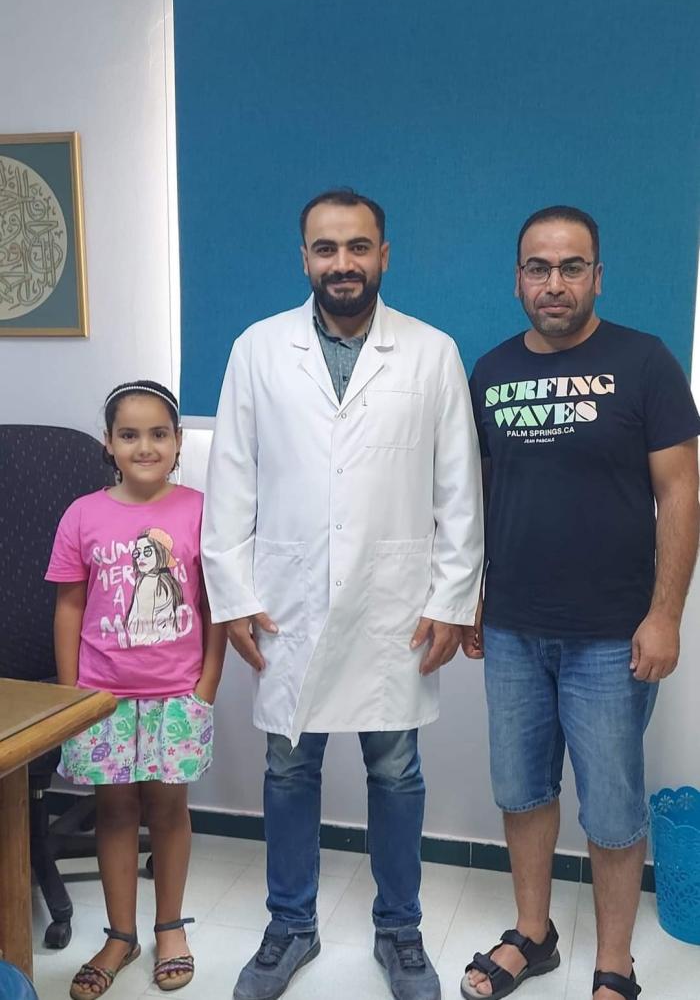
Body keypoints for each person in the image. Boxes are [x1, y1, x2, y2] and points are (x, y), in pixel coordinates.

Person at [202, 188, 484, 1000]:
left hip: (394, 603)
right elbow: (231, 480)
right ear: (304, 258)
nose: (343, 263)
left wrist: (451, 597)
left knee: (396, 771)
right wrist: (233, 593)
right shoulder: (259, 348)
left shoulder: (430, 351)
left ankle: (400, 930)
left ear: (383, 255)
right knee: (289, 767)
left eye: (358, 247)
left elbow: (459, 487)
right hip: (286, 599)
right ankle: (290, 924)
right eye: (326, 248)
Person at [463, 206, 700, 1000]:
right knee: (521, 790)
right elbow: (480, 496)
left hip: (611, 634)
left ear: (598, 275)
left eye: (572, 266)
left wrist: (665, 614)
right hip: (512, 629)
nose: (554, 283)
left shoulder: (645, 361)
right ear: (518, 278)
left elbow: (681, 494)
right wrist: (472, 594)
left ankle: (616, 962)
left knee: (613, 809)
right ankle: (532, 934)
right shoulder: (491, 371)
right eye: (539, 267)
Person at [47, 381, 227, 998]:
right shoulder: (82, 515)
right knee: (116, 811)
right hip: (102, 697)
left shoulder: (201, 511)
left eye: (158, 434)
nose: (144, 446)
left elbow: (215, 605)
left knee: (169, 810)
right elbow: (70, 607)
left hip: (178, 695)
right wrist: (71, 695)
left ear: (177, 442)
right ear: (108, 443)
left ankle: (169, 929)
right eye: (129, 434)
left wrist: (207, 684)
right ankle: (120, 936)